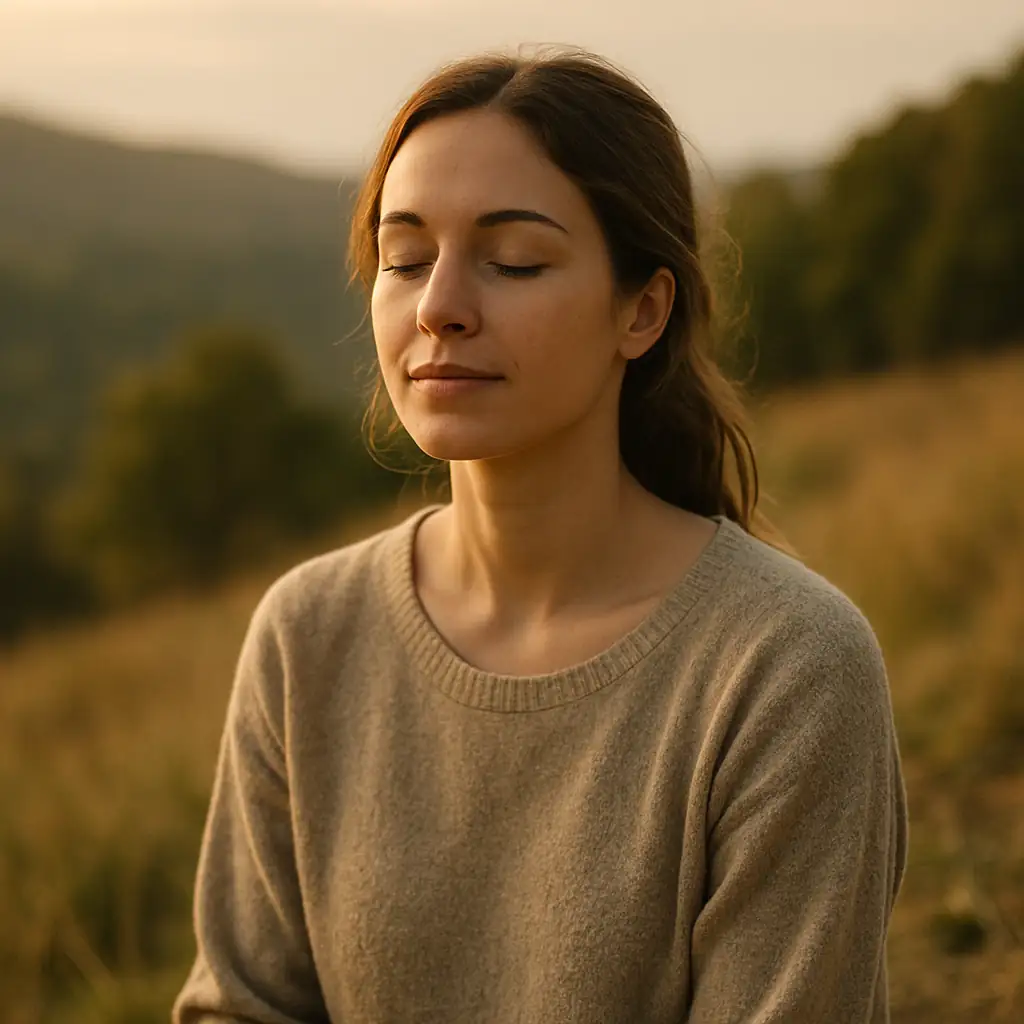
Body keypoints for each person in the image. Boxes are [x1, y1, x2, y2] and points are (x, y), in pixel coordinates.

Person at [172, 46, 908, 1024]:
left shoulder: (786, 668)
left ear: (642, 310)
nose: (438, 307)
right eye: (404, 258)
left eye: (512, 259)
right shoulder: (306, 634)